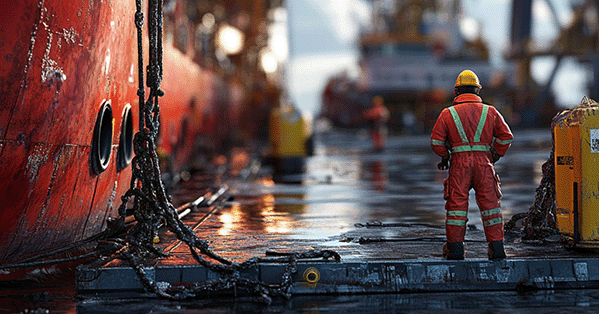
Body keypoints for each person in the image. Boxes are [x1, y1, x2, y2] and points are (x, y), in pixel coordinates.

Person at [431, 70, 514, 260]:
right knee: (491, 207)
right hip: (484, 165)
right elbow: (506, 136)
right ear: (478, 90)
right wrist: (495, 154)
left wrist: (446, 157)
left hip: (459, 166)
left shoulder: (447, 113)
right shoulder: (490, 111)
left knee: (456, 208)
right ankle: (497, 248)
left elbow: (436, 142)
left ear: (456, 91)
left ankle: (455, 249)